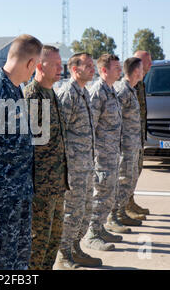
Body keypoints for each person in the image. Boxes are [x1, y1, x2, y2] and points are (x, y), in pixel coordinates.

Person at [0, 34, 42, 270]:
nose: (34, 72)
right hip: (1, 197)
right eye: (36, 66)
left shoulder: (16, 89)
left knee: (17, 258)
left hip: (19, 192)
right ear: (30, 63)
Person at [22, 46, 70, 270]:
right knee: (36, 248)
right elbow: (26, 147)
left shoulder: (52, 93)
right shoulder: (32, 96)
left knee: (52, 243)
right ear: (40, 67)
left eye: (61, 63)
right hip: (40, 189)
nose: (62, 68)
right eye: (56, 64)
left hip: (57, 186)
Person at [56, 53, 103, 267]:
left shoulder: (83, 93)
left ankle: (75, 248)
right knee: (71, 211)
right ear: (75, 69)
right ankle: (64, 255)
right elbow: (60, 132)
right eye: (88, 66)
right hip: (73, 167)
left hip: (86, 164)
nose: (93, 69)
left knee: (84, 210)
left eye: (93, 66)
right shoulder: (68, 93)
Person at [84, 54, 128, 252]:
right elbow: (90, 126)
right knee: (100, 193)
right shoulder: (97, 92)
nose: (120, 70)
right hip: (101, 156)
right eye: (116, 67)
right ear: (104, 70)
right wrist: (95, 156)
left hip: (112, 154)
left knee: (109, 193)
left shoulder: (111, 90)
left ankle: (100, 227)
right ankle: (92, 234)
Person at [112, 57, 144, 228]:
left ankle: (121, 212)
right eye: (141, 69)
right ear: (136, 71)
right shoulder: (122, 90)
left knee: (129, 181)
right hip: (123, 146)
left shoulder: (131, 89)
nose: (143, 72)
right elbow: (114, 119)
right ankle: (113, 216)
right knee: (122, 181)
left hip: (132, 145)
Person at [125, 50, 153, 219]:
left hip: (138, 137)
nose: (150, 65)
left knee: (135, 171)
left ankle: (130, 201)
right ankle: (123, 207)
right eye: (147, 62)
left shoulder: (140, 84)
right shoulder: (127, 87)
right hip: (128, 140)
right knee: (126, 175)